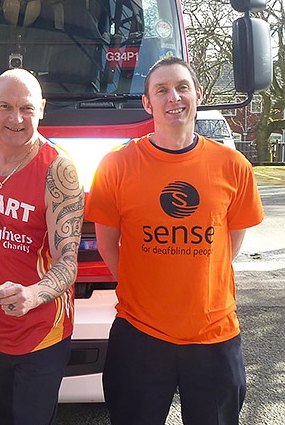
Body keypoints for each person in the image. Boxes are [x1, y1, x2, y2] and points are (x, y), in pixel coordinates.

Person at [85, 56, 264, 424]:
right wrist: (145, 289)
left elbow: (230, 242)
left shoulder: (233, 166)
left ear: (199, 94)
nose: (174, 98)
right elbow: (107, 245)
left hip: (214, 336)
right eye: (161, 90)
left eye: (182, 87)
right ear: (147, 102)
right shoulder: (116, 165)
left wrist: (197, 280)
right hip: (140, 336)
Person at [0, 68, 85, 425]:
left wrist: (33, 294)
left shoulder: (59, 171)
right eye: (6, 107)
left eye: (26, 108)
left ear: (41, 108)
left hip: (40, 331)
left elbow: (69, 262)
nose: (16, 119)